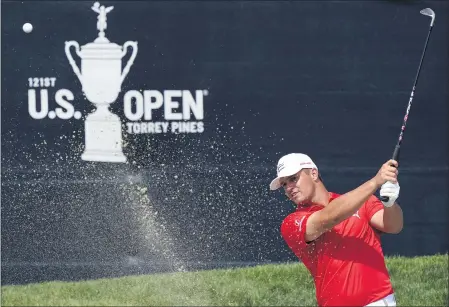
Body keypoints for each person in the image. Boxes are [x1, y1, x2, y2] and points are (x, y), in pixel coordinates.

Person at [269, 153, 403, 307]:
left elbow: (394, 226)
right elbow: (330, 217)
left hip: (377, 302)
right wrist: (375, 182)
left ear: (314, 173)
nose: (289, 188)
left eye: (293, 178)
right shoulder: (292, 223)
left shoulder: (360, 200)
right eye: (284, 184)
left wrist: (390, 203)